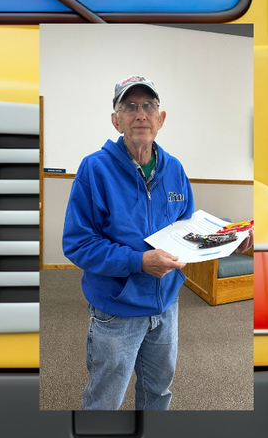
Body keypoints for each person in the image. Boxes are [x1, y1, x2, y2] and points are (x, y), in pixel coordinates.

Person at [62, 75, 252, 411]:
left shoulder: (175, 169)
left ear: (160, 119)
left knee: (158, 392)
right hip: (116, 309)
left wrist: (227, 243)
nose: (140, 114)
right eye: (130, 106)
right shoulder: (95, 169)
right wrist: (139, 262)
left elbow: (188, 232)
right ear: (115, 119)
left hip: (166, 306)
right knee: (105, 399)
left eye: (148, 106)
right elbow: (79, 243)